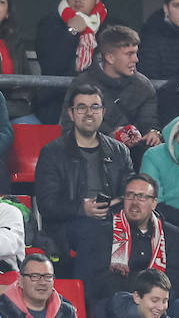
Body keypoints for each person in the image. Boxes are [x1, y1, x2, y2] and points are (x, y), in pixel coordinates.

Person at [34, 84, 132, 254]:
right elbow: (47, 205)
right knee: (96, 232)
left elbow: (129, 192)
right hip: (68, 226)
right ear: (71, 114)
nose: (89, 113)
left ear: (103, 112)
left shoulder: (119, 151)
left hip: (113, 220)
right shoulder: (52, 152)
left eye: (95, 107)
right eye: (81, 107)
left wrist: (111, 207)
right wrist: (82, 209)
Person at [79, 173, 179, 306]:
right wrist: (141, 295)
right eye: (129, 196)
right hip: (119, 302)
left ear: (154, 203)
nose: (134, 203)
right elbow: (102, 281)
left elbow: (176, 280)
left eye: (141, 197)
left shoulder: (171, 234)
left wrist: (153, 299)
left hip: (160, 304)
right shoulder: (106, 232)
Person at [59, 24, 160, 143]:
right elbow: (69, 129)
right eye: (129, 54)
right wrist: (109, 139)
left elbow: (149, 123)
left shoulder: (144, 87)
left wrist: (153, 133)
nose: (136, 59)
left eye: (135, 53)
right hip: (89, 154)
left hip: (133, 156)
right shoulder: (81, 84)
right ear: (110, 58)